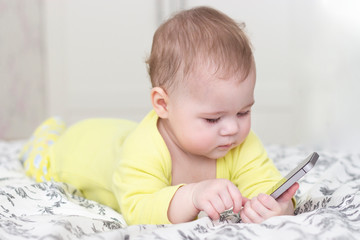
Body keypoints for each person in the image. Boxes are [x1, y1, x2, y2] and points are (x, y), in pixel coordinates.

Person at [20, 6, 299, 225]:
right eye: (213, 119)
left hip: (119, 132)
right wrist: (192, 195)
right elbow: (138, 209)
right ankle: (51, 130)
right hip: (80, 147)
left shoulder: (240, 142)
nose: (231, 128)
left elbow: (264, 183)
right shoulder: (143, 150)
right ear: (163, 104)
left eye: (243, 112)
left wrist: (277, 207)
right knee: (42, 152)